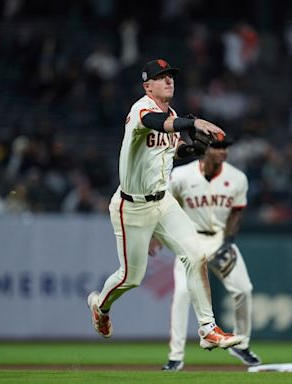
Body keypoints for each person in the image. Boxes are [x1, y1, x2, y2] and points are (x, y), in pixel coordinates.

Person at [87, 59, 243, 351]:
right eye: (161, 77)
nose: (169, 80)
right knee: (131, 277)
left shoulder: (170, 112)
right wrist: (193, 123)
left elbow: (171, 150)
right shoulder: (141, 109)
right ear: (148, 86)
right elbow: (156, 124)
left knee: (196, 255)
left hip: (163, 201)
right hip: (131, 207)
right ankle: (101, 307)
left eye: (170, 75)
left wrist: (194, 149)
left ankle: (208, 329)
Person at [150, 135, 262, 371]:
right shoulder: (181, 176)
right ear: (204, 149)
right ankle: (175, 356)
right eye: (217, 147)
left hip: (220, 239)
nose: (223, 151)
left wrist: (228, 242)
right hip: (189, 240)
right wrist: (156, 235)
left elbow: (236, 213)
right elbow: (163, 206)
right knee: (181, 294)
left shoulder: (237, 178)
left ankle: (241, 344)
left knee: (244, 290)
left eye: (225, 147)